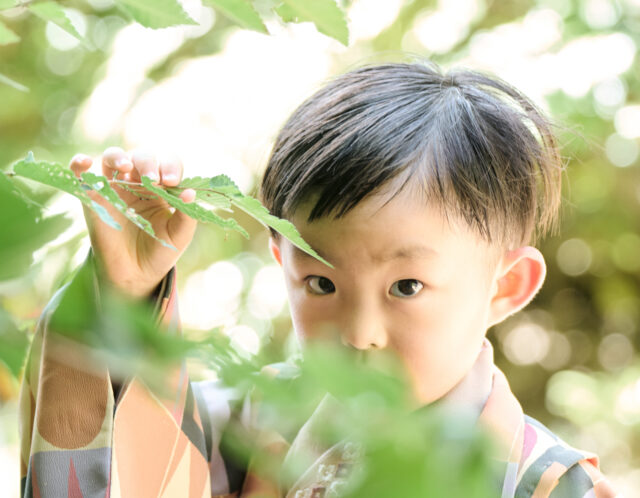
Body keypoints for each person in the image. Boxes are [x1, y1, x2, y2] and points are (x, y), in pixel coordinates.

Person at [19, 62, 619, 497]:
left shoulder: (547, 482)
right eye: (322, 284)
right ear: (282, 261)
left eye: (406, 287)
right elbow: (127, 471)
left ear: (506, 285)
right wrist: (125, 296)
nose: (359, 334)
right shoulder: (255, 421)